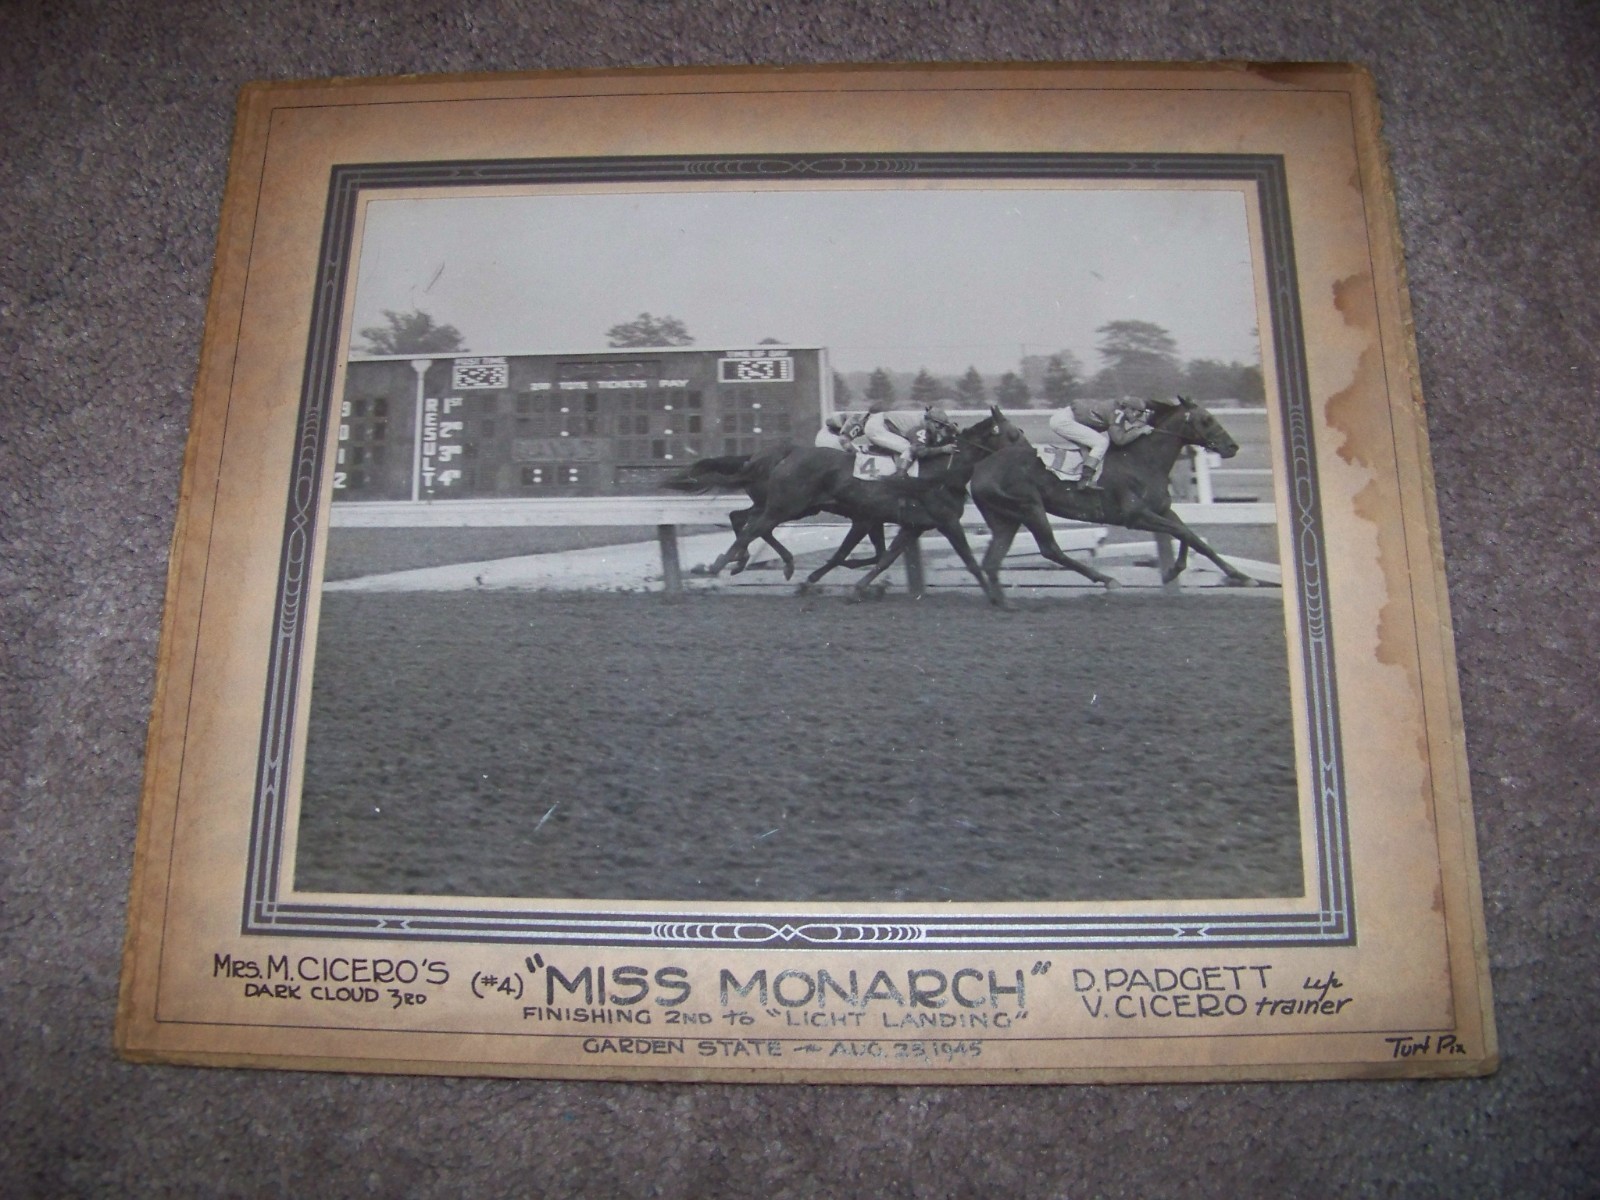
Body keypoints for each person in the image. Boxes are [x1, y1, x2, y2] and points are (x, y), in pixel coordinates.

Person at [1047, 395, 1157, 487]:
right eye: (1138, 413)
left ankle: (1080, 476)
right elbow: (1119, 440)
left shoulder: (1118, 410)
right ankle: (1085, 479)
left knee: (1093, 446)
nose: (1138, 416)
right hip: (1065, 420)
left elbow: (1119, 435)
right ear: (1128, 409)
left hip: (1065, 418)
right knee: (1101, 443)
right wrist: (1139, 431)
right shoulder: (1118, 413)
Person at [862, 396, 917, 474]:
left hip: (872, 426)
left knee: (901, 446)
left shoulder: (881, 410)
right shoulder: (889, 412)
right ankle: (900, 474)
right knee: (908, 449)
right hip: (876, 429)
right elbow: (893, 428)